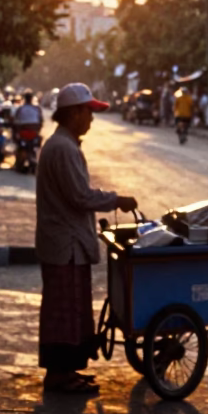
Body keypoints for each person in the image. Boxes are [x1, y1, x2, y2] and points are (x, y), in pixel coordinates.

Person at [36, 82, 137, 396]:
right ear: (74, 113)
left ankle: (67, 370)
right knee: (64, 311)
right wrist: (116, 200)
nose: (91, 120)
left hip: (67, 243)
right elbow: (80, 196)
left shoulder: (64, 145)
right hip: (64, 244)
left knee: (71, 307)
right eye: (88, 113)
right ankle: (60, 374)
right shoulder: (63, 148)